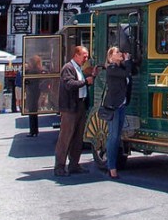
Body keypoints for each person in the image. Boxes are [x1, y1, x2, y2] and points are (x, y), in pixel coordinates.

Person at [54, 46, 94, 177]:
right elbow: (69, 84)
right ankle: (59, 166)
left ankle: (74, 164)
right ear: (76, 55)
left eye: (87, 56)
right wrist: (85, 82)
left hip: (80, 105)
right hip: (70, 108)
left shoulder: (78, 68)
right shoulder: (68, 68)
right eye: (84, 55)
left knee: (78, 137)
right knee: (65, 137)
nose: (86, 58)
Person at [102, 46, 133, 179]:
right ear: (110, 57)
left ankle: (112, 164)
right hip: (113, 106)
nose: (120, 54)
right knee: (113, 137)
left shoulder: (120, 68)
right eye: (117, 52)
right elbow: (126, 74)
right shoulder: (111, 69)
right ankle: (111, 167)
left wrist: (128, 61)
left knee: (117, 136)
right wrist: (127, 60)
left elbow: (130, 72)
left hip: (121, 105)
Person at [24, 55, 43, 137]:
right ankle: (35, 130)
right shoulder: (39, 70)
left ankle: (33, 130)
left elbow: (26, 81)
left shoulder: (31, 71)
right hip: (36, 91)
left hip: (31, 92)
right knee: (34, 111)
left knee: (32, 111)